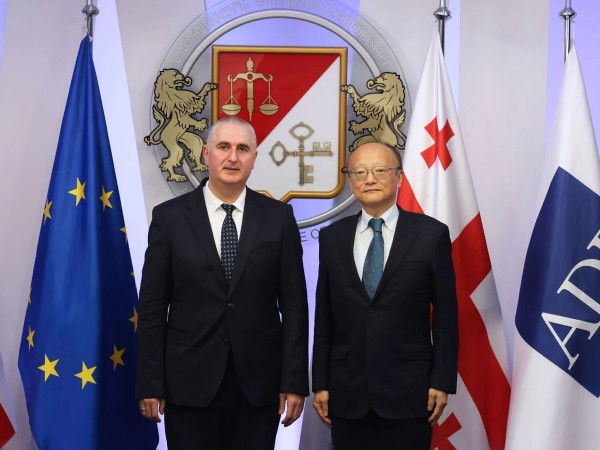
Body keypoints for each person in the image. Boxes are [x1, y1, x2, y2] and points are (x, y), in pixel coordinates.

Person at [136, 117, 309, 450]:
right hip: (188, 383)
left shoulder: (278, 218)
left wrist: (294, 380)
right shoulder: (170, 218)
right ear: (206, 154)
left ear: (254, 158)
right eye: (224, 147)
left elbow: (295, 306)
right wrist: (150, 382)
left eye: (243, 149)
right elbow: (153, 307)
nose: (233, 157)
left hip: (259, 385)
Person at [311, 142, 458, 450]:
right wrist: (320, 383)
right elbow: (324, 318)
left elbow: (446, 318)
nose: (370, 179)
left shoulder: (430, 235)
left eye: (380, 170)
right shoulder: (332, 237)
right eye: (360, 172)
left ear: (399, 178)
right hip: (347, 391)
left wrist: (442, 381)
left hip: (410, 390)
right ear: (350, 180)